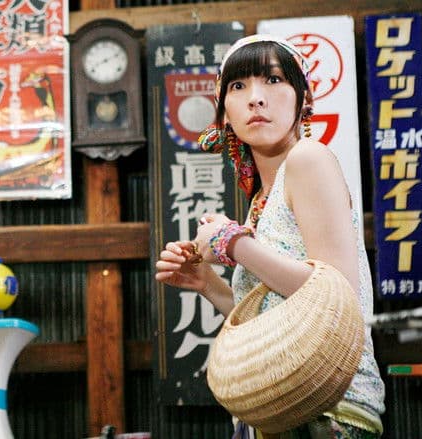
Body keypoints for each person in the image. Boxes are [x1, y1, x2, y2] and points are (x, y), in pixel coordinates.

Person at [155, 34, 385, 437]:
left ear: (304, 98)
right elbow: (276, 319)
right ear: (224, 113)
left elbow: (338, 299)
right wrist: (206, 283)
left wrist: (233, 242)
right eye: (238, 86)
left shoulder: (308, 159)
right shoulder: (263, 198)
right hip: (282, 409)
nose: (255, 98)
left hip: (329, 411)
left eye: (274, 80)